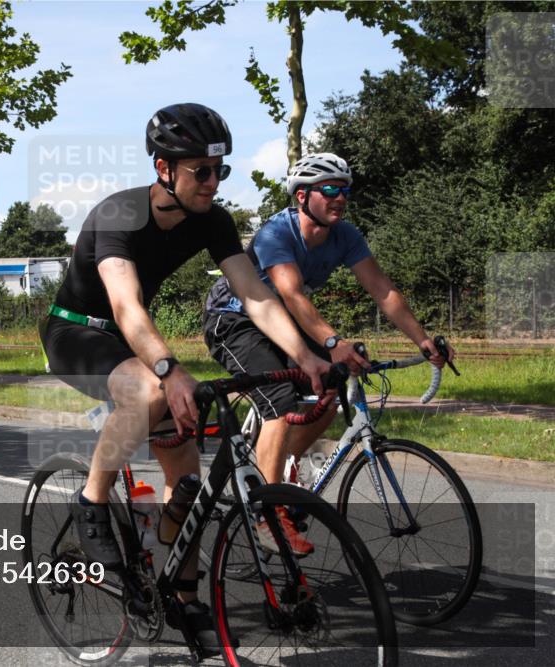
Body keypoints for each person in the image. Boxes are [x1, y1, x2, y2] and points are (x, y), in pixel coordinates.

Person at [41, 103, 332, 653]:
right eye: (200, 170)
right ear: (163, 170)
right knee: (155, 389)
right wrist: (170, 370)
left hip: (128, 335)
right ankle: (93, 501)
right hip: (78, 331)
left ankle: (184, 593)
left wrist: (306, 355)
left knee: (188, 474)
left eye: (220, 170)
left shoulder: (212, 219)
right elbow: (126, 308)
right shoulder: (119, 215)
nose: (213, 182)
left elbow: (255, 296)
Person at [203, 152, 455, 547]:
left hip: (280, 323)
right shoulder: (276, 233)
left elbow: (383, 290)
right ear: (302, 197)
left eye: (345, 191)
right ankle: (266, 512)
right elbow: (291, 295)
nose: (340, 198)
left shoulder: (345, 236)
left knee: (328, 391)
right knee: (280, 401)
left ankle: (280, 466)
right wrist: (334, 343)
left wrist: (421, 339)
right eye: (330, 190)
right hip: (234, 320)